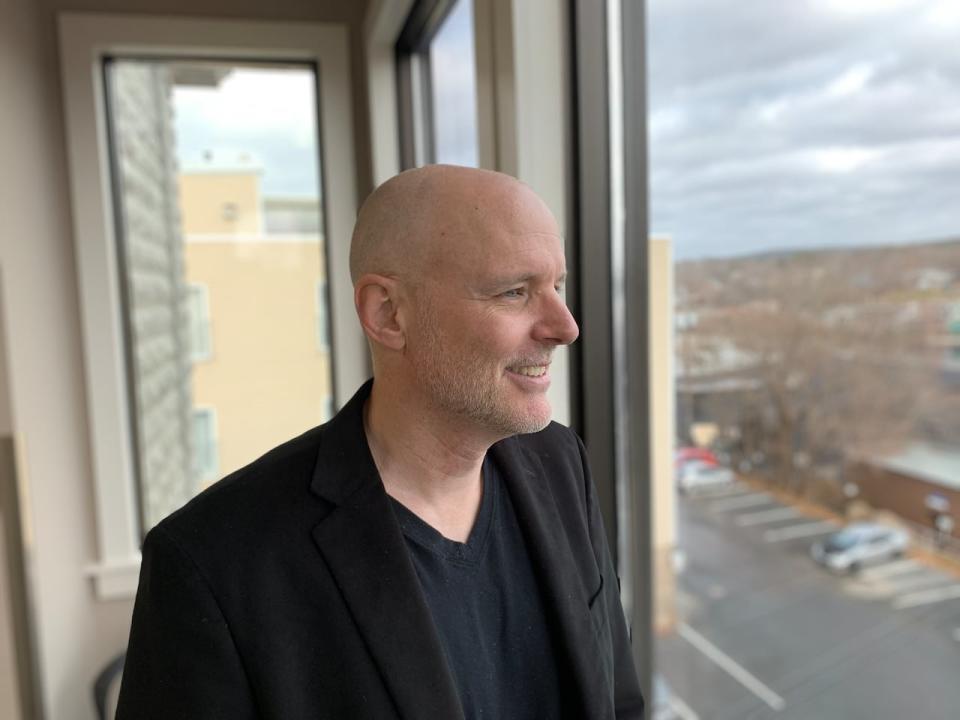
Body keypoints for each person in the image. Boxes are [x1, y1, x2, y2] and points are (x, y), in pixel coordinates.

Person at [115, 165, 645, 719]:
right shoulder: (214, 562)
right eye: (514, 292)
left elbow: (617, 701)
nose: (565, 326)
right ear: (388, 314)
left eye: (556, 286)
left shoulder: (561, 464)